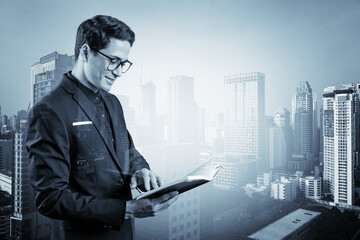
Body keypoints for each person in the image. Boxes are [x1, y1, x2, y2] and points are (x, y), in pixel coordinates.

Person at [26, 15, 178, 240]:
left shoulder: (113, 102)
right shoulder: (49, 110)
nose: (118, 71)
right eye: (113, 60)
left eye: (123, 63)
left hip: (123, 234)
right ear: (85, 52)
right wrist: (127, 210)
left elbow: (127, 150)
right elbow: (50, 198)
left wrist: (140, 170)